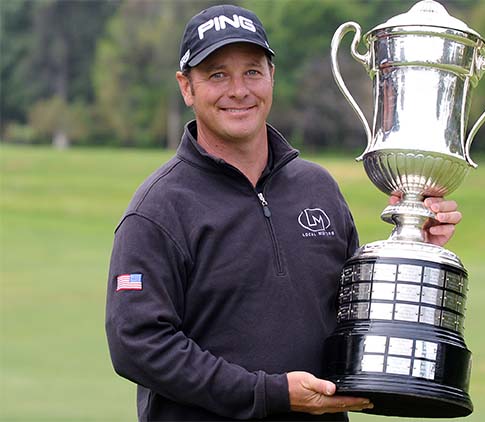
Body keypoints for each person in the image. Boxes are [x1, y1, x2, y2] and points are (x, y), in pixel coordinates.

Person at [105, 4, 463, 421]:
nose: (239, 90)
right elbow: (138, 344)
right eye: (217, 74)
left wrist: (414, 244)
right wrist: (271, 393)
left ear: (272, 77)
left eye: (252, 72)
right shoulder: (159, 208)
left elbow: (350, 311)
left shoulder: (318, 187)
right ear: (187, 87)